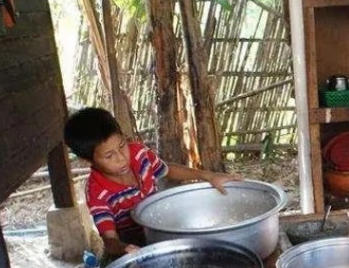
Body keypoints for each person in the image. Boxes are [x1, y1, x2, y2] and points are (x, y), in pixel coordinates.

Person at [63, 107, 241, 257]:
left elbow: (167, 170)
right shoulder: (97, 192)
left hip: (161, 226)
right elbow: (109, 240)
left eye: (121, 146)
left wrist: (208, 175)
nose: (122, 158)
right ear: (88, 161)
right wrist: (124, 249)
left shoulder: (139, 154)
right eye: (109, 155)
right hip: (130, 242)